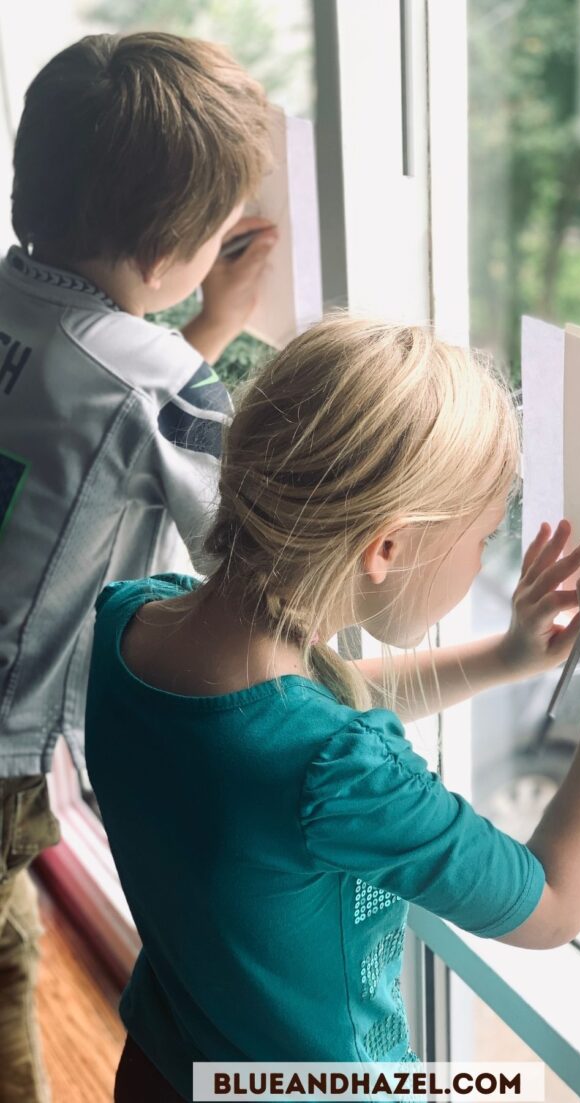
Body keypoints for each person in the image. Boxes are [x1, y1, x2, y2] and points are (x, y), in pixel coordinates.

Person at [83, 315, 580, 1102]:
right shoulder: (337, 771)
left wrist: (504, 656)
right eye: (483, 531)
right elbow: (553, 904)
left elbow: (291, 707)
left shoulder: (133, 621)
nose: (485, 556)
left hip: (164, 1061)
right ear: (387, 548)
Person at [0, 32, 278, 1103]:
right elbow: (243, 544)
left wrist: (207, 321)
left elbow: (88, 393)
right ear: (171, 259)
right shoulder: (164, 390)